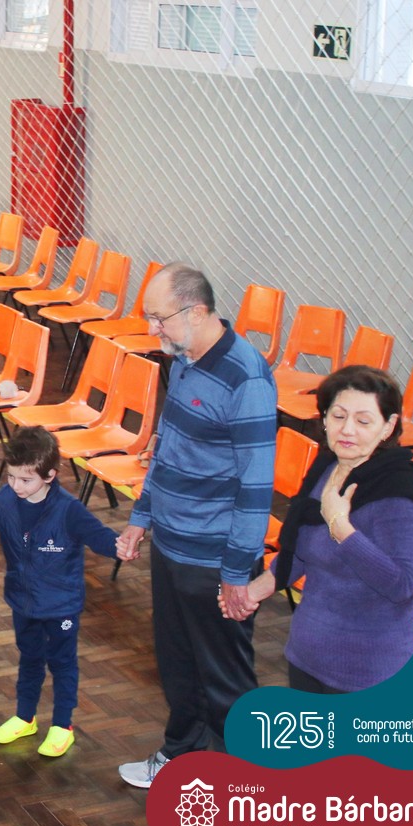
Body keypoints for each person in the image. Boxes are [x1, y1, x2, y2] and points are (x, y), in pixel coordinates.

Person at [113, 262, 277, 789]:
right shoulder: (183, 360)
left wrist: (235, 572)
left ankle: (247, 786)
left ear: (197, 312)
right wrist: (141, 518)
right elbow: (167, 447)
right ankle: (180, 755)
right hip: (171, 545)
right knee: (178, 663)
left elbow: (256, 486)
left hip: (214, 559)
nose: (152, 329)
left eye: (159, 318)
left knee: (226, 681)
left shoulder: (246, 377)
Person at [236, 365, 413, 693]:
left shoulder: (397, 495)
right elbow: (301, 549)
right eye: (339, 416)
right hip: (307, 657)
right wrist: (250, 594)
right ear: (325, 418)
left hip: (369, 675)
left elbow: (401, 585)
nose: (347, 430)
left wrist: (341, 527)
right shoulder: (327, 466)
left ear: (388, 427)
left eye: (363, 421)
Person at [0, 427, 118, 756]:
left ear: (50, 475)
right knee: (30, 659)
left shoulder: (69, 510)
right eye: (11, 477)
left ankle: (62, 726)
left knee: (62, 663)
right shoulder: (5, 500)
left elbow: (100, 537)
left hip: (61, 605)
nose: (16, 486)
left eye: (25, 480)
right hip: (23, 602)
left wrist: (121, 546)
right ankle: (25, 717)